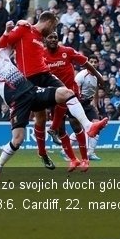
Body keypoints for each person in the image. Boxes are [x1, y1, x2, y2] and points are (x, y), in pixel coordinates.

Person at [0, 33, 108, 180]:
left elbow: (14, 41)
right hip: (17, 101)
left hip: (32, 91)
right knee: (18, 140)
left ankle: (89, 126)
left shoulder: (4, 53)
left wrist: (9, 31)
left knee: (66, 93)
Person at [43, 33, 106, 163]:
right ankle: (71, 157)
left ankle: (85, 158)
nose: (54, 39)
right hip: (54, 96)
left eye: (55, 37)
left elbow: (86, 63)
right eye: (50, 37)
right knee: (62, 130)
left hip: (71, 96)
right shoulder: (41, 55)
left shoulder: (67, 51)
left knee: (76, 126)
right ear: (45, 40)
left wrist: (99, 77)